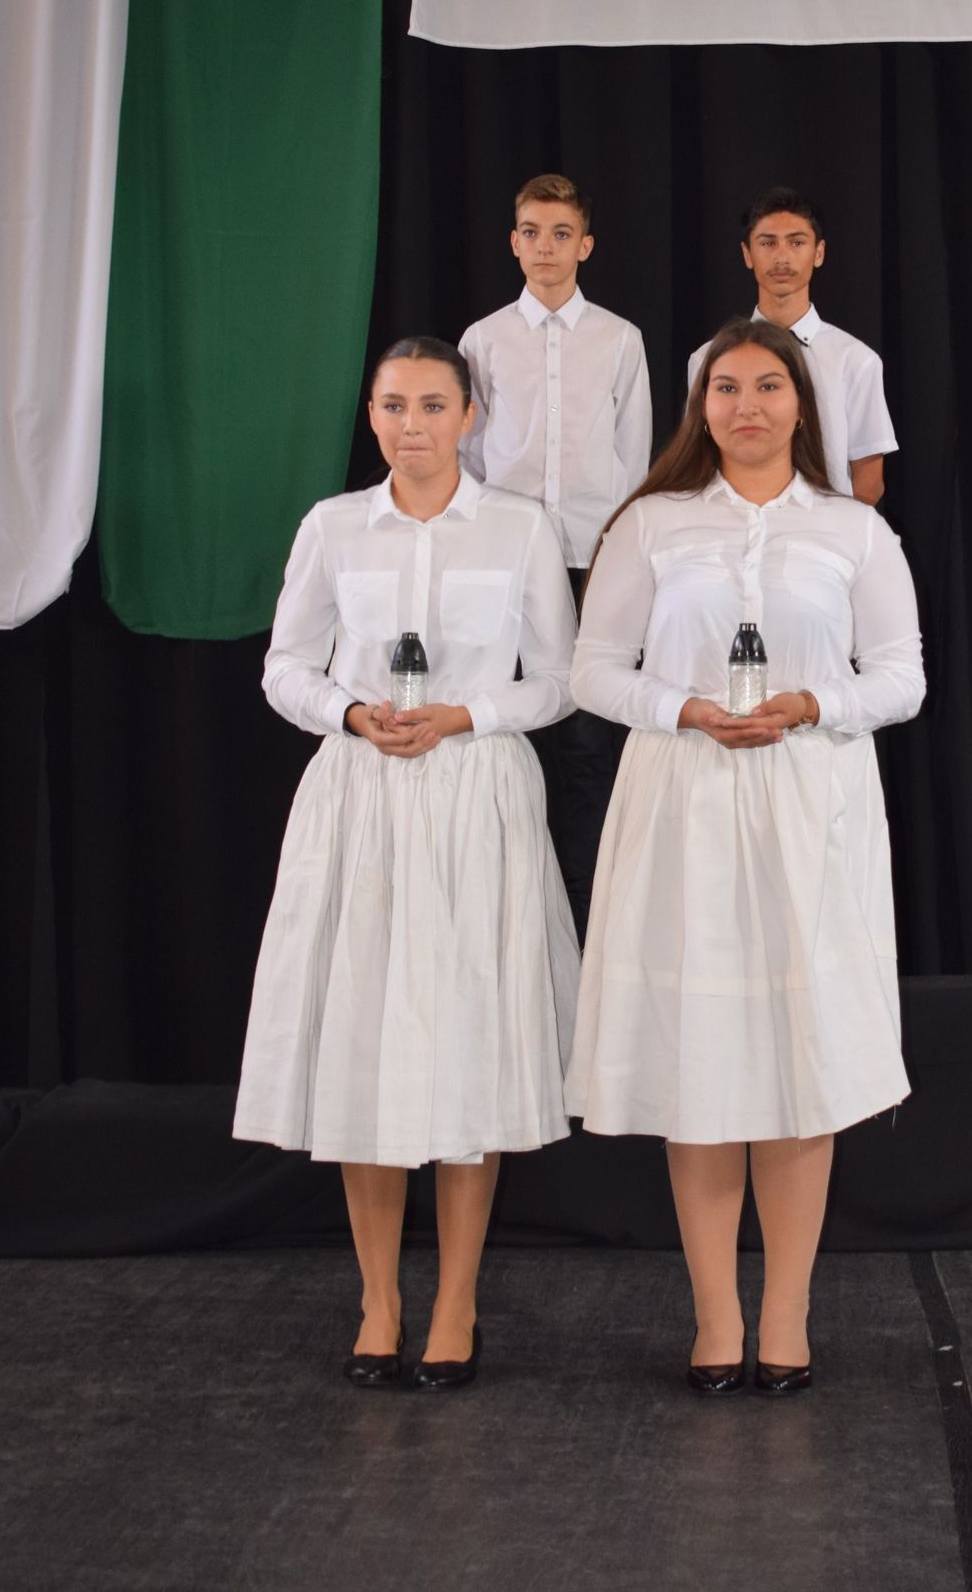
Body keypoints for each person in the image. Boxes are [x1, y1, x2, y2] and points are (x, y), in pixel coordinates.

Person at [567, 319, 925, 1395]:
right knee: (704, 1058)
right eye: (726, 387)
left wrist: (813, 702)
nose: (747, 405)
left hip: (812, 804)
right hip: (684, 801)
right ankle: (716, 1318)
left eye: (768, 385)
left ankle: (787, 1314)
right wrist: (681, 707)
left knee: (800, 1063)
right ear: (701, 406)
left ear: (802, 403)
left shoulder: (854, 529)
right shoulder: (652, 522)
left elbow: (902, 676)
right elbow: (592, 668)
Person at [233, 337, 580, 1392]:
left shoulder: (521, 526)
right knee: (363, 1039)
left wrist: (464, 713)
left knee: (472, 1039)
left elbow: (559, 678)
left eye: (433, 404)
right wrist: (349, 710)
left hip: (476, 794)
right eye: (393, 405)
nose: (412, 424)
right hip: (362, 799)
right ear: (372, 414)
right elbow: (284, 665)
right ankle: (378, 1299)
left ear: (470, 415)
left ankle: (457, 1299)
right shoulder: (333, 526)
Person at [459, 174, 652, 938]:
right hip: (506, 565)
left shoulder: (620, 339)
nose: (546, 246)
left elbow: (634, 461)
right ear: (514, 242)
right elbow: (469, 455)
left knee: (588, 742)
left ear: (586, 244)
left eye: (561, 232)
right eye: (532, 232)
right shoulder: (482, 340)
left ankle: (586, 918)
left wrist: (620, 560)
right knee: (513, 734)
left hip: (590, 563)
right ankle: (511, 918)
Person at [688, 187, 896, 504]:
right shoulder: (707, 359)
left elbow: (868, 481)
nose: (781, 257)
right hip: (732, 526)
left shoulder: (856, 360)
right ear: (747, 254)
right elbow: (699, 459)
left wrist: (835, 531)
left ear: (819, 252)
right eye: (768, 243)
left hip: (824, 530)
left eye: (796, 242)